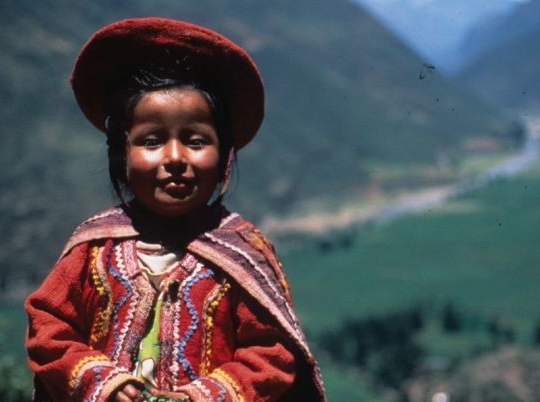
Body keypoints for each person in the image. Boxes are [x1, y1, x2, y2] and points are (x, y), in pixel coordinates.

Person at [24, 17, 326, 402]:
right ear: (122, 154)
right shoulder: (93, 248)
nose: (175, 157)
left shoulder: (242, 251)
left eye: (196, 140)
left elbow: (270, 352)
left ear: (223, 155)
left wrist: (204, 395)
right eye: (151, 141)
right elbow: (49, 325)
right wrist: (101, 380)